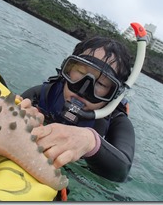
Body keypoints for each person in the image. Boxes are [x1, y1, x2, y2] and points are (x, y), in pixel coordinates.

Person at [17, 36, 135, 182]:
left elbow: (122, 171)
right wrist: (20, 117)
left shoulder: (117, 123)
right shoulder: (44, 94)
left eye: (102, 84)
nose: (83, 89)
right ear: (67, 69)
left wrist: (90, 142)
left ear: (113, 94)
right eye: (80, 71)